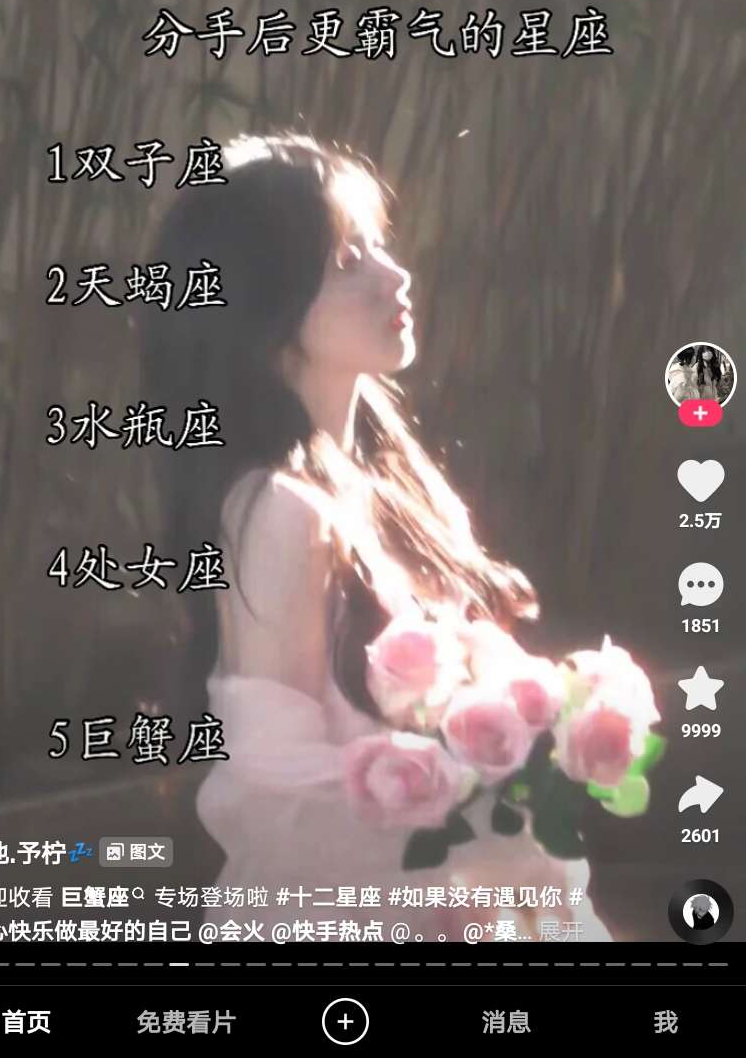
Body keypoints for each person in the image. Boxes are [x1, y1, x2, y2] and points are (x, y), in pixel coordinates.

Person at [141, 131, 613, 943]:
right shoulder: (280, 511)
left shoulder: (390, 486)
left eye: (379, 247)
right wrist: (480, 816)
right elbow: (276, 789)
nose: (395, 276)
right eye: (346, 261)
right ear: (264, 309)